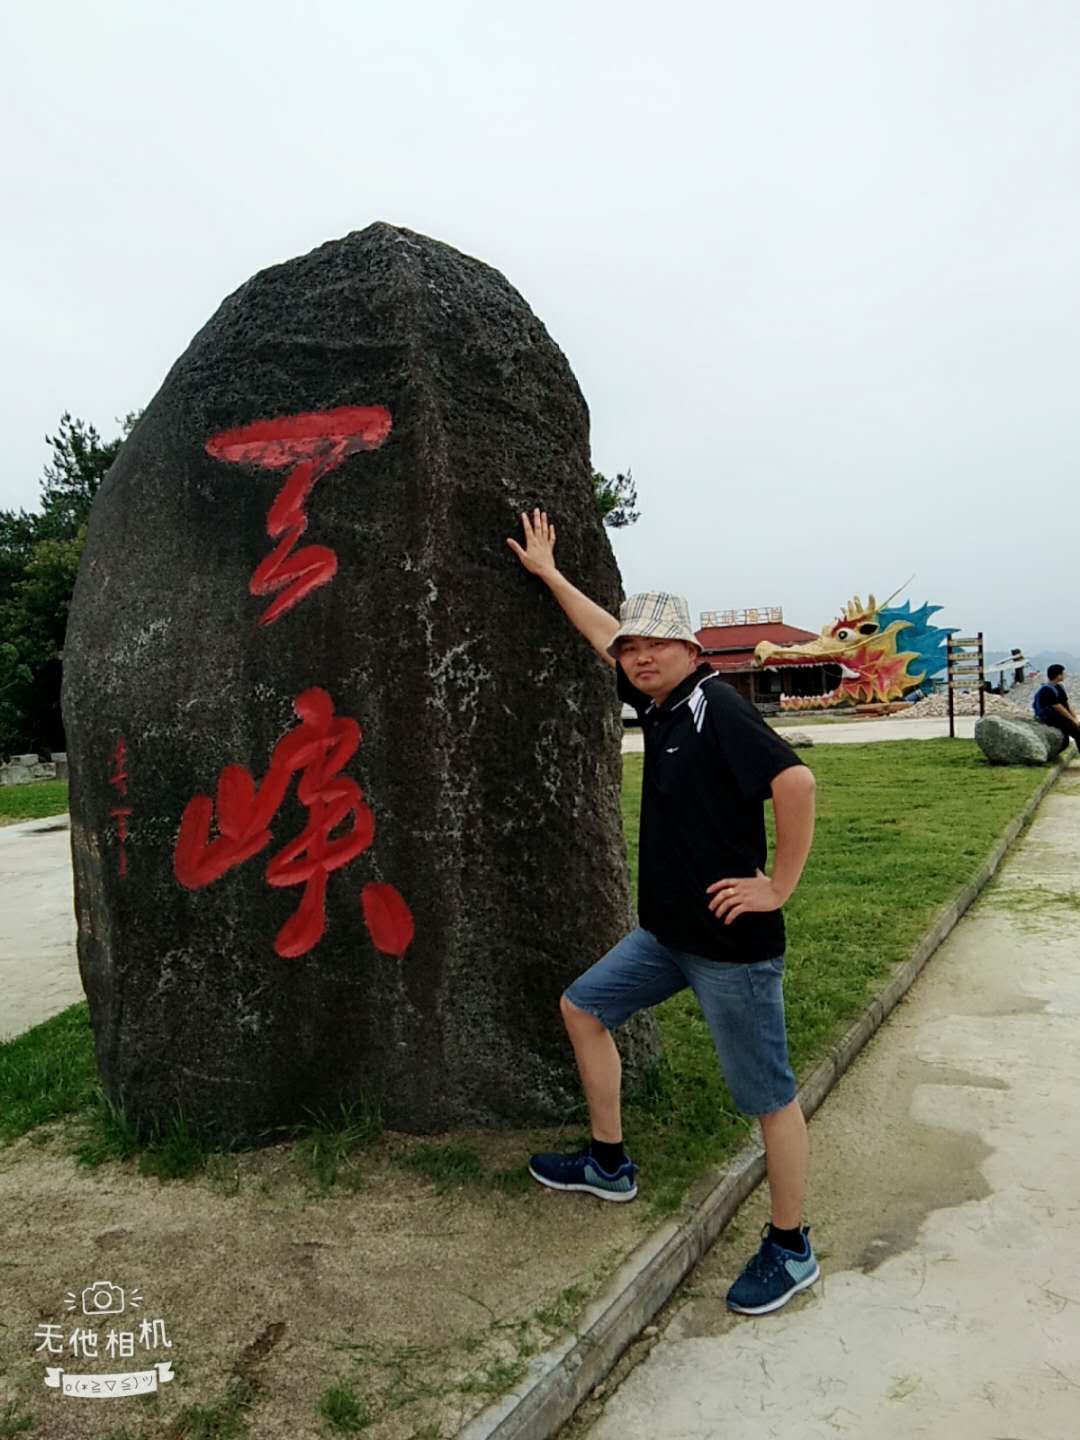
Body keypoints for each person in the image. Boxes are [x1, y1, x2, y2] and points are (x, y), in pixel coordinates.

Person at [506, 509, 820, 1316]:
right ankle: (609, 1162)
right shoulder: (661, 704)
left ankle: (791, 1247)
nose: (639, 656)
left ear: (692, 649)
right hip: (667, 936)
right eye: (632, 649)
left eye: (657, 645)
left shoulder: (718, 708)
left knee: (768, 1096)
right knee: (583, 1008)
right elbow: (601, 632)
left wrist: (778, 886)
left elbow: (796, 782)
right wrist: (549, 574)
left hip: (731, 948)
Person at [1033, 664, 1080, 751]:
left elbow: (1066, 704)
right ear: (1058, 675)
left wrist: (1075, 718)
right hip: (1050, 717)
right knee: (1077, 732)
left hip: (1059, 716)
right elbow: (1059, 707)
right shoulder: (1046, 689)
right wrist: (1073, 720)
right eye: (1063, 673)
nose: (1065, 675)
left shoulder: (1059, 687)